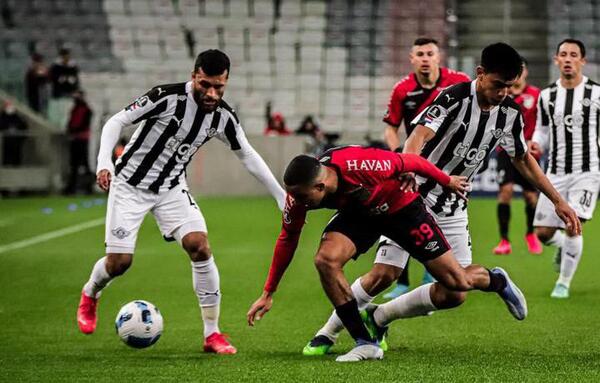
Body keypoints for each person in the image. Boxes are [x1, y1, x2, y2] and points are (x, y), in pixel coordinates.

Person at [302, 43, 581, 356]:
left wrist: (557, 200)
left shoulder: (510, 113)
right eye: (498, 85)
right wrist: (407, 167)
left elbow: (522, 159)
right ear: (480, 74)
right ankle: (326, 334)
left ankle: (379, 317)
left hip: (452, 208)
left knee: (455, 292)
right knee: (384, 274)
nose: (504, 92)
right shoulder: (453, 98)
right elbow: (419, 136)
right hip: (411, 199)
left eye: (510, 87)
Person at [76, 49, 286, 355]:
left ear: (226, 82)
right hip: (130, 185)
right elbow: (115, 121)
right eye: (205, 85)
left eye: (219, 87)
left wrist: (280, 197)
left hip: (171, 188)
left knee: (200, 245)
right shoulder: (165, 97)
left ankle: (212, 333)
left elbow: (248, 155)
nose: (212, 93)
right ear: (194, 76)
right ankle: (90, 292)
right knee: (119, 264)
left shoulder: (223, 117)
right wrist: (104, 161)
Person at [247, 146, 528, 362]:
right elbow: (287, 239)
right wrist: (268, 291)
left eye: (305, 197)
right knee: (326, 260)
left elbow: (413, 162)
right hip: (360, 215)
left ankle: (496, 281)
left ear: (320, 187)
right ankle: (364, 342)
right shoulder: (299, 198)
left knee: (457, 285)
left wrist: (447, 181)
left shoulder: (360, 165)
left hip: (402, 210)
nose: (299, 203)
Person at [382, 37, 471, 299]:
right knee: (405, 215)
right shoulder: (403, 89)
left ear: (438, 56)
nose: (425, 58)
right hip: (414, 162)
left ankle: (432, 272)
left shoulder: (458, 81)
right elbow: (391, 126)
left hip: (447, 163)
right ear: (412, 58)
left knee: (441, 215)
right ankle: (402, 281)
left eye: (429, 53)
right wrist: (399, 153)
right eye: (419, 53)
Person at [530, 39, 600, 299]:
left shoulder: (597, 94)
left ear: (583, 60)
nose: (568, 59)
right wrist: (536, 143)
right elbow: (543, 129)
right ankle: (563, 248)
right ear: (556, 59)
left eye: (573, 55)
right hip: (555, 172)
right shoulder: (547, 96)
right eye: (563, 54)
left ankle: (563, 283)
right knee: (543, 233)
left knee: (573, 224)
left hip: (587, 171)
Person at [493, 57, 542, 255]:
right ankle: (504, 240)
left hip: (528, 153)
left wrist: (537, 141)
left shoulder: (536, 94)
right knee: (505, 192)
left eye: (521, 70)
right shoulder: (501, 94)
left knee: (531, 196)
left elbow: (543, 123)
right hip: (505, 152)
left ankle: (531, 234)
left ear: (526, 73)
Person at [64, 90, 93, 195]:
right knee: (74, 164)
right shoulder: (75, 109)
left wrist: (72, 131)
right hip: (76, 139)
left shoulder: (86, 110)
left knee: (84, 164)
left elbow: (83, 124)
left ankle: (88, 187)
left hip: (82, 139)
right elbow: (70, 122)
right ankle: (72, 188)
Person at [48, 47, 80, 130]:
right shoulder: (55, 67)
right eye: (64, 56)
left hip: (69, 95)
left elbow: (75, 80)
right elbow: (54, 79)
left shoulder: (73, 67)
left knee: (68, 115)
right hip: (58, 96)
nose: (66, 58)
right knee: (57, 115)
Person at [0, 101, 27, 166]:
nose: (9, 108)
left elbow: (24, 127)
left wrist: (16, 131)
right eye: (8, 107)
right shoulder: (2, 118)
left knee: (16, 159)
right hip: (6, 142)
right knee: (6, 158)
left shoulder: (18, 118)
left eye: (10, 107)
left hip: (16, 142)